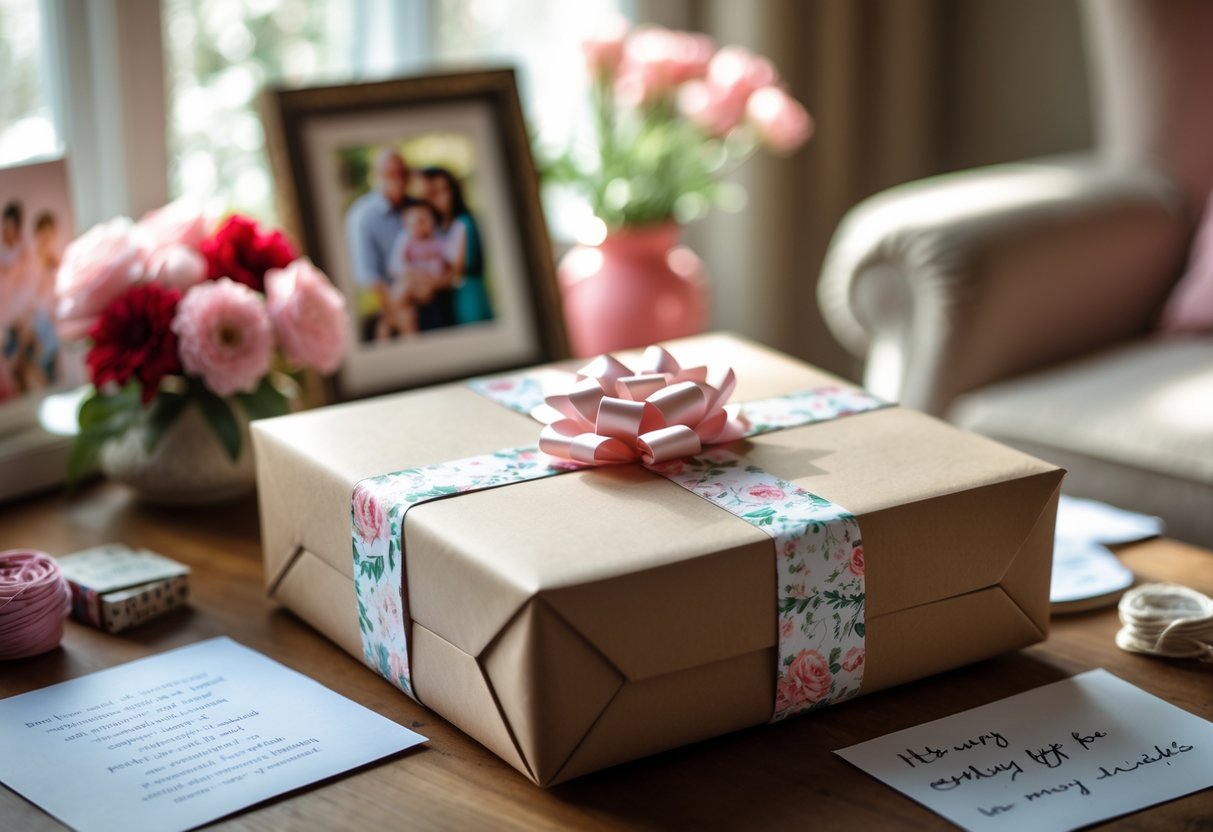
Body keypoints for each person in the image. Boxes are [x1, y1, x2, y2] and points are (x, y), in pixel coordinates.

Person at [344, 149, 411, 340]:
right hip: (387, 311)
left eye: (403, 173)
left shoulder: (415, 207)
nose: (399, 180)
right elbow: (369, 278)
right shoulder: (362, 216)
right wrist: (397, 314)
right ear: (376, 176)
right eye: (391, 174)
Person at [420, 167, 493, 326]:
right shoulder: (439, 229)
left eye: (445, 190)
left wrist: (430, 286)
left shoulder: (464, 223)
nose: (441, 198)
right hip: (450, 303)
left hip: (470, 300)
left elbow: (459, 269)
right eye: (435, 193)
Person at [379, 201, 449, 340]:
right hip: (410, 283)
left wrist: (424, 278)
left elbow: (441, 266)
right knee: (405, 310)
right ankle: (397, 330)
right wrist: (413, 274)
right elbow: (395, 265)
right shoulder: (406, 238)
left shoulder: (437, 239)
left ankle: (388, 319)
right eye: (418, 221)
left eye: (428, 219)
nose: (424, 225)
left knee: (403, 298)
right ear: (408, 224)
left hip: (428, 284)